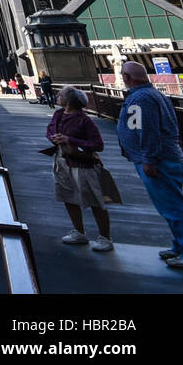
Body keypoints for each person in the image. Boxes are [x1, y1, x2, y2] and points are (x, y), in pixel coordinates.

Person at [117, 61, 183, 269]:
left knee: (173, 207)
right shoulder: (154, 95)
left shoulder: (140, 98)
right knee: (170, 205)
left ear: (127, 78)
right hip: (165, 157)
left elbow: (147, 130)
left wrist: (149, 158)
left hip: (159, 160)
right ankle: (178, 246)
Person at [47, 86, 113, 251]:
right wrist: (53, 138)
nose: (57, 96)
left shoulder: (84, 120)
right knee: (67, 197)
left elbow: (98, 145)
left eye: (60, 94)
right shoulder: (58, 114)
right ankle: (79, 232)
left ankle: (105, 237)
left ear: (69, 100)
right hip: (62, 161)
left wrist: (70, 140)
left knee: (95, 201)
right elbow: (50, 129)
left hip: (83, 164)